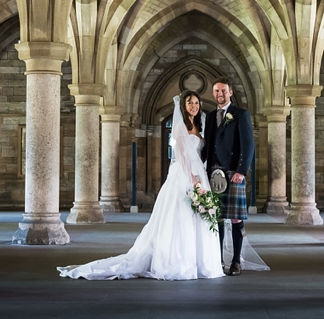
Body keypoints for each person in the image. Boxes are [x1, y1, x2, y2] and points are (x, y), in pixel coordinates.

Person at [57, 91, 223, 280]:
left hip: (199, 172)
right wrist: (192, 177)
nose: (194, 106)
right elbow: (181, 156)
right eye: (190, 102)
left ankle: (200, 262)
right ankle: (179, 262)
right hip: (185, 174)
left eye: (196, 102)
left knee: (198, 216)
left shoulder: (199, 126)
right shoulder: (179, 127)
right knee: (181, 215)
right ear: (183, 106)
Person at [203, 77, 255, 276]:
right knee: (217, 217)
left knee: (235, 218)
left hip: (234, 173)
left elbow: (248, 144)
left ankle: (235, 261)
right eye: (216, 91)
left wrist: (242, 171)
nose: (220, 94)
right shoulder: (209, 117)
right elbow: (207, 146)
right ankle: (218, 260)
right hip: (213, 173)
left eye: (223, 91)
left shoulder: (240, 114)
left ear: (230, 92)